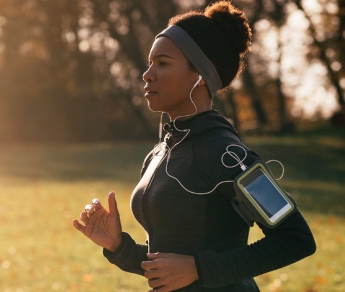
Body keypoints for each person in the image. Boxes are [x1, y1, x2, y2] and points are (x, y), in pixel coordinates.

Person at [72, 1, 316, 291]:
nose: (147, 74)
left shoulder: (225, 153)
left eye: (163, 63)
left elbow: (296, 238)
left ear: (201, 74)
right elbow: (170, 269)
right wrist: (119, 246)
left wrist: (199, 269)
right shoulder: (159, 153)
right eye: (150, 63)